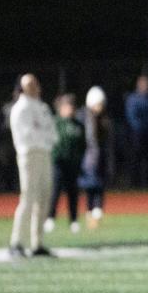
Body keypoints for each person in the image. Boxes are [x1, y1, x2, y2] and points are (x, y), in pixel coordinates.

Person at [8, 74, 58, 258]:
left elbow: (52, 133)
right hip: (29, 155)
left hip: (44, 154)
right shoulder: (20, 109)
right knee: (28, 198)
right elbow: (28, 135)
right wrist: (42, 136)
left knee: (44, 198)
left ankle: (37, 243)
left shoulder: (42, 107)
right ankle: (17, 242)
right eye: (31, 84)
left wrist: (43, 136)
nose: (36, 87)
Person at [45, 94, 86, 234]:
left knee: (73, 192)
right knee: (55, 191)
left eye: (72, 106)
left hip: (73, 164)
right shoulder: (55, 122)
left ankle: (73, 220)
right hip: (58, 162)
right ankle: (50, 218)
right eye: (67, 106)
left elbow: (82, 144)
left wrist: (79, 160)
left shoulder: (79, 125)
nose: (70, 109)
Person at [78, 86, 113, 229]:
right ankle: (90, 217)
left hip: (100, 160)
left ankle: (96, 217)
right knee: (90, 189)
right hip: (89, 161)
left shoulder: (104, 121)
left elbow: (107, 143)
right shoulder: (83, 119)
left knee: (99, 187)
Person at [124, 75, 148, 188]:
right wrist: (140, 128)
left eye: (147, 84)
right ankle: (134, 183)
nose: (145, 86)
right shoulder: (133, 99)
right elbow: (132, 116)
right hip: (137, 134)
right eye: (143, 84)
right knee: (136, 158)